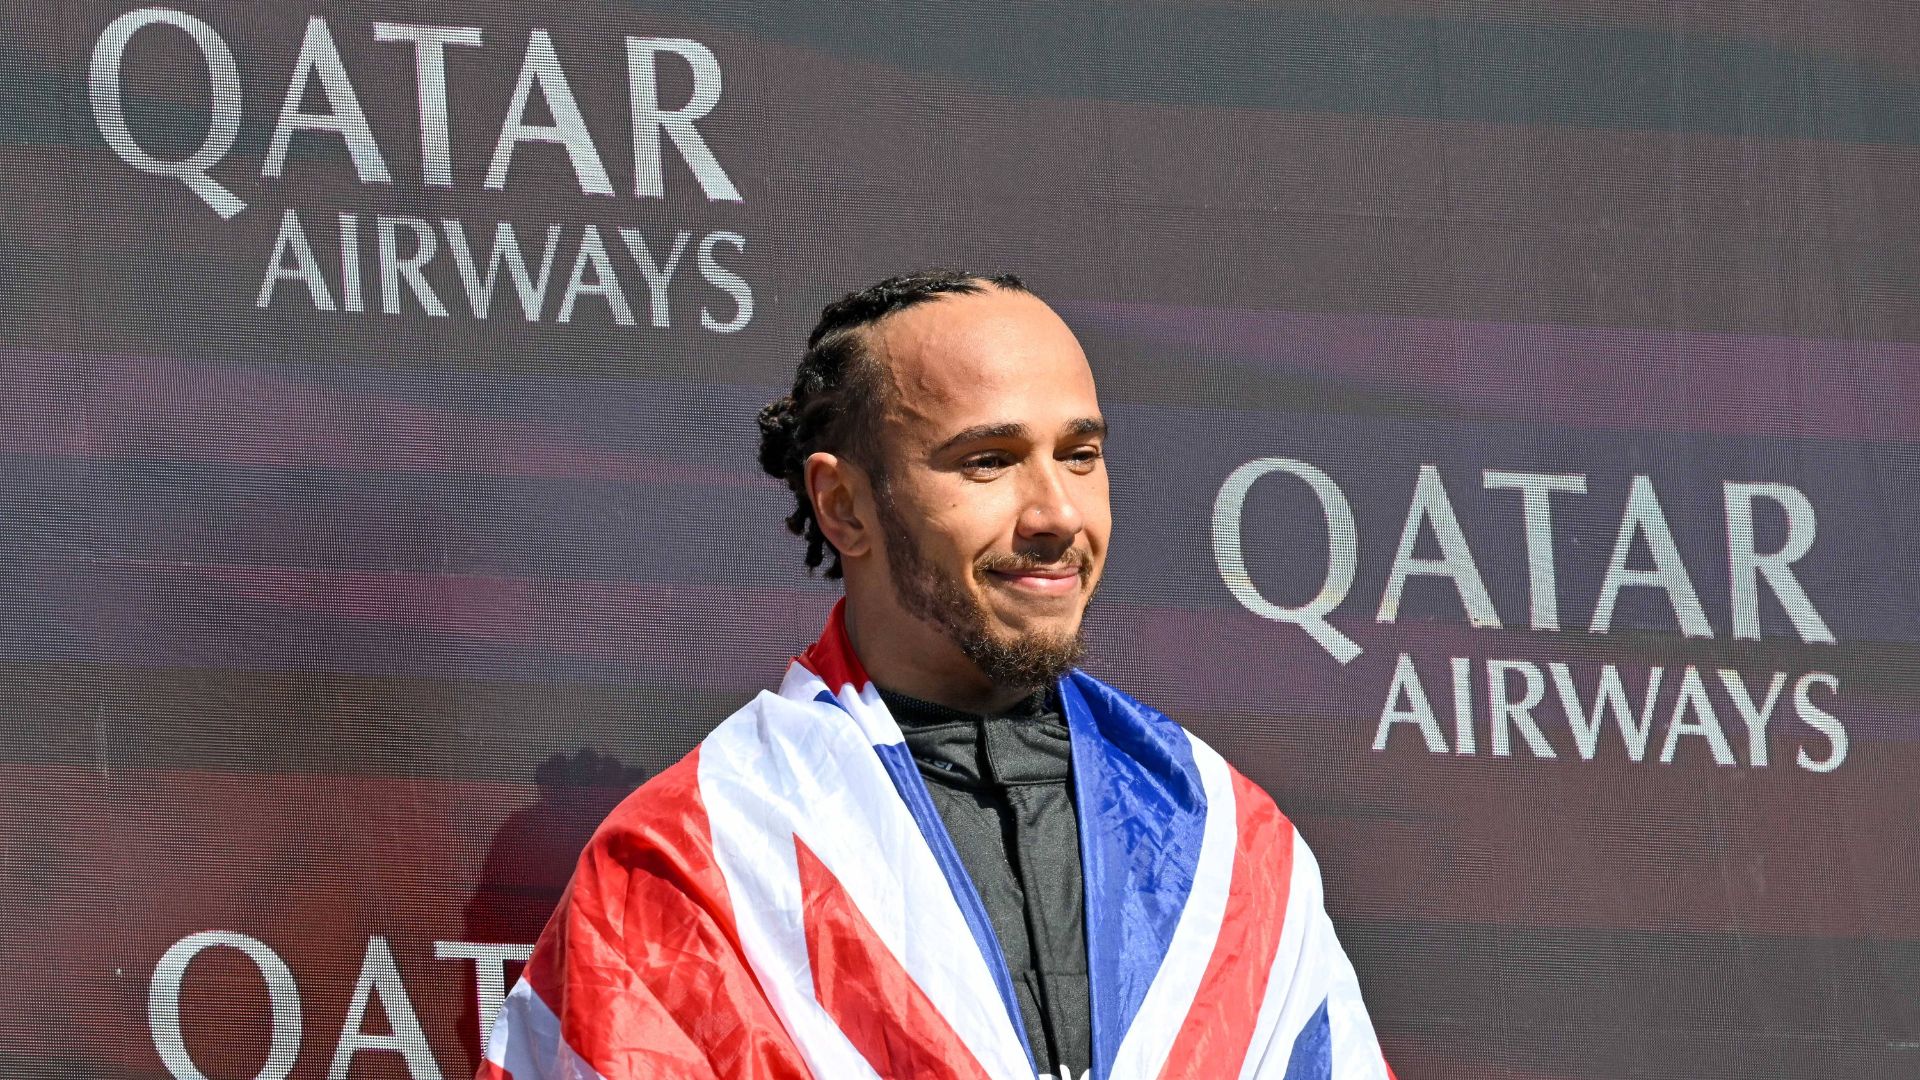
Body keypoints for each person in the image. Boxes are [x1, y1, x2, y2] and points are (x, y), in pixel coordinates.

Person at [479, 271, 1395, 1080]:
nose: (1056, 512)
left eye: (1079, 454)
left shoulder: (1231, 839)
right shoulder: (700, 858)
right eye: (988, 462)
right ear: (844, 504)